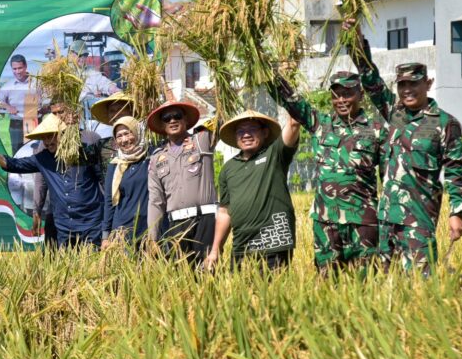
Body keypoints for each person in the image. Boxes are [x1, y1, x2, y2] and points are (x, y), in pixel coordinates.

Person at [348, 28, 462, 272]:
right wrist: (355, 41)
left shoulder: (445, 123)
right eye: (402, 85)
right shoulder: (394, 113)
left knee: (420, 284)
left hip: (418, 220)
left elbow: (456, 172)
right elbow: (370, 80)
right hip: (386, 218)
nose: (407, 90)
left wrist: (457, 213)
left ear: (428, 83)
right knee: (385, 285)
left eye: (413, 84)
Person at [273, 72, 389, 273]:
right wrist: (269, 74)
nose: (341, 100)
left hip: (362, 222)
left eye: (347, 94)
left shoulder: (377, 130)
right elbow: (290, 100)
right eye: (336, 95)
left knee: (366, 283)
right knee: (326, 282)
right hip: (326, 223)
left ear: (360, 94)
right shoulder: (320, 124)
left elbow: (388, 181)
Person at [0, 113, 105, 248]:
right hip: (64, 226)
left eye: (51, 136)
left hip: (91, 223)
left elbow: (103, 180)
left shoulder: (86, 153)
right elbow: (13, 164)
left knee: (93, 263)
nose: (47, 142)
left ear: (64, 134)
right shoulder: (43, 158)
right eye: (44, 138)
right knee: (67, 265)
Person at [204, 110, 301, 270]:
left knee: (272, 293)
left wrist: (286, 94)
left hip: (275, 241)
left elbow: (294, 124)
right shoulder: (229, 168)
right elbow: (224, 212)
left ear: (264, 133)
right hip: (241, 244)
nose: (246, 135)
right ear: (235, 137)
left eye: (252, 129)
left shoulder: (275, 153)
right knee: (241, 294)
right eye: (241, 131)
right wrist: (215, 250)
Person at [146, 100, 217, 265]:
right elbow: (156, 201)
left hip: (205, 219)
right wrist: (152, 238)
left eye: (177, 116)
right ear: (162, 125)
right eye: (166, 118)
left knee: (208, 272)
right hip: (177, 224)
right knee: (181, 275)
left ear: (185, 120)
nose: (172, 120)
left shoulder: (201, 140)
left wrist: (199, 130)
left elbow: (222, 119)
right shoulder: (157, 158)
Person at [31, 101, 102, 248]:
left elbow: (101, 178)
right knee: (56, 262)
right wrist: (36, 211)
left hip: (89, 216)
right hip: (59, 214)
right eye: (54, 113)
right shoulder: (45, 144)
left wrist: (108, 211)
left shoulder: (90, 139)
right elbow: (41, 181)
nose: (57, 117)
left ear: (74, 113)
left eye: (61, 112)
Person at [102, 116, 151, 249]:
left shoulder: (151, 157)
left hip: (149, 227)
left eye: (127, 133)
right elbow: (109, 201)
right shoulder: (115, 165)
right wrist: (105, 236)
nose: (124, 140)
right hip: (123, 230)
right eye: (119, 136)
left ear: (137, 132)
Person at [67, 40, 121, 138]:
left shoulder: (90, 71)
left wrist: (114, 89)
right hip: (71, 118)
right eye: (79, 54)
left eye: (85, 55)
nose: (82, 58)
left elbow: (103, 82)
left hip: (88, 117)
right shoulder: (64, 73)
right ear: (71, 54)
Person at [0, 54, 37, 154]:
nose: (17, 71)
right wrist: (8, 107)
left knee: (35, 151)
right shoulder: (8, 86)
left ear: (26, 66)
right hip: (16, 124)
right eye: (14, 69)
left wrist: (43, 108)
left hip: (34, 122)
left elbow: (47, 99)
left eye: (20, 68)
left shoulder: (37, 82)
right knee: (17, 152)